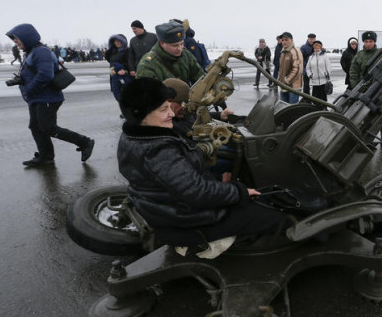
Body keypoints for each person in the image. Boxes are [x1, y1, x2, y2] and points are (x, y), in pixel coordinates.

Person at [117, 77, 286, 250]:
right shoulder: (156, 150)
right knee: (275, 217)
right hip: (188, 221)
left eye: (169, 107)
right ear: (142, 116)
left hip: (171, 211)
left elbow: (185, 179)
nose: (171, 114)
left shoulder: (137, 136)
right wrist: (239, 191)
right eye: (163, 109)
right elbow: (197, 192)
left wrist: (219, 181)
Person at [5, 23, 95, 167]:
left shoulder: (41, 52)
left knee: (48, 128)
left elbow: (45, 75)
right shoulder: (31, 52)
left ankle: (84, 142)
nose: (15, 42)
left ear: (27, 37)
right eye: (14, 39)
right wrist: (21, 80)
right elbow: (35, 72)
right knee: (35, 127)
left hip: (47, 97)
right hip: (37, 98)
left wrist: (29, 90)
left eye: (17, 38)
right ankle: (46, 157)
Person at [349, 31, 382, 147]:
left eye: (371, 41)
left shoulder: (381, 54)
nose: (368, 44)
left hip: (378, 88)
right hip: (364, 90)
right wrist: (357, 87)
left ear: (374, 42)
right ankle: (366, 137)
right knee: (364, 113)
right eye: (366, 41)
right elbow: (353, 72)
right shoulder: (359, 55)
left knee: (381, 112)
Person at [135, 21, 204, 85]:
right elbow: (146, 94)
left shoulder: (186, 55)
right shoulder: (147, 65)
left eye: (182, 44)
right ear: (162, 43)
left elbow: (200, 77)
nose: (180, 49)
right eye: (175, 45)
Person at [105, 34, 133, 116]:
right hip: (114, 76)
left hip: (124, 76)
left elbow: (131, 63)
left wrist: (126, 70)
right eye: (115, 41)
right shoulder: (113, 52)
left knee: (126, 95)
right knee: (117, 94)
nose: (117, 43)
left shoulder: (128, 51)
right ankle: (125, 111)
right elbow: (108, 59)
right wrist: (111, 49)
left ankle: (129, 111)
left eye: (118, 41)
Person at [277, 32, 303, 104]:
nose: (284, 42)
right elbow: (281, 69)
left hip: (293, 86)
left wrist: (287, 80)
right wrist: (280, 80)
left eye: (286, 40)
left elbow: (298, 69)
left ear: (291, 40)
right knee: (283, 108)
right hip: (284, 85)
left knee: (292, 109)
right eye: (283, 40)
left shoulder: (295, 51)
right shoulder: (283, 52)